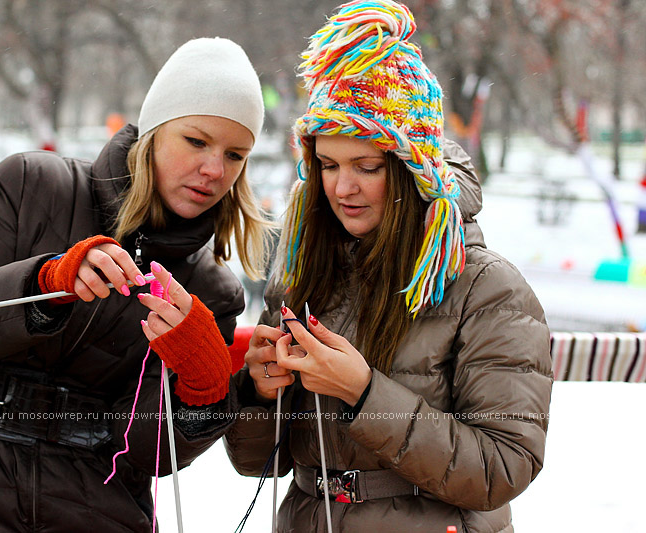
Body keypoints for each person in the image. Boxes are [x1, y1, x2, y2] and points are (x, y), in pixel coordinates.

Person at [0, 37, 270, 532]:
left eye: (236, 155)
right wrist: (44, 283)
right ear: (153, 131)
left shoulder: (212, 293)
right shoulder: (29, 184)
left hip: (96, 509)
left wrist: (204, 390)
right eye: (196, 141)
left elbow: (148, 452)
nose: (214, 170)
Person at [223, 1, 553, 532]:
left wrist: (365, 393)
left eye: (367, 166)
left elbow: (504, 466)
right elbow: (255, 461)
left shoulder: (486, 288)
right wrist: (260, 394)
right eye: (327, 165)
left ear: (410, 170)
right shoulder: (303, 275)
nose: (342, 188)